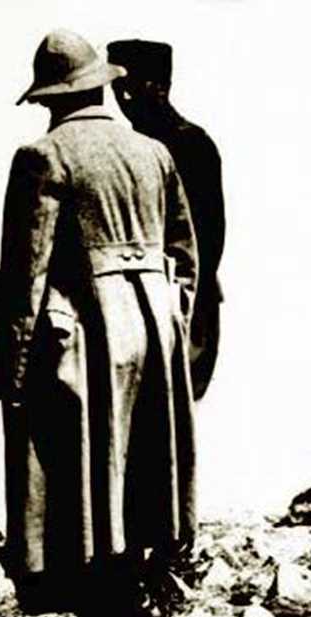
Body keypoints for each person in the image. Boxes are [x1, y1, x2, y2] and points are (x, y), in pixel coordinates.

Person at [0, 30, 198, 617]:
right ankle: (136, 591)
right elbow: (185, 254)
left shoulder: (42, 156)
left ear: (51, 97)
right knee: (145, 458)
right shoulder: (152, 151)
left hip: (87, 328)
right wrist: (172, 318)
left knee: (84, 465)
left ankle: (100, 615)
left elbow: (27, 272)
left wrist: (15, 365)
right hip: (155, 324)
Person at [108, 39, 226, 400]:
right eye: (117, 88)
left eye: (130, 87)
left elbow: (209, 239)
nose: (123, 98)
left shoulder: (190, 144)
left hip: (182, 302)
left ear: (159, 86)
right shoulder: (136, 146)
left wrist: (185, 304)